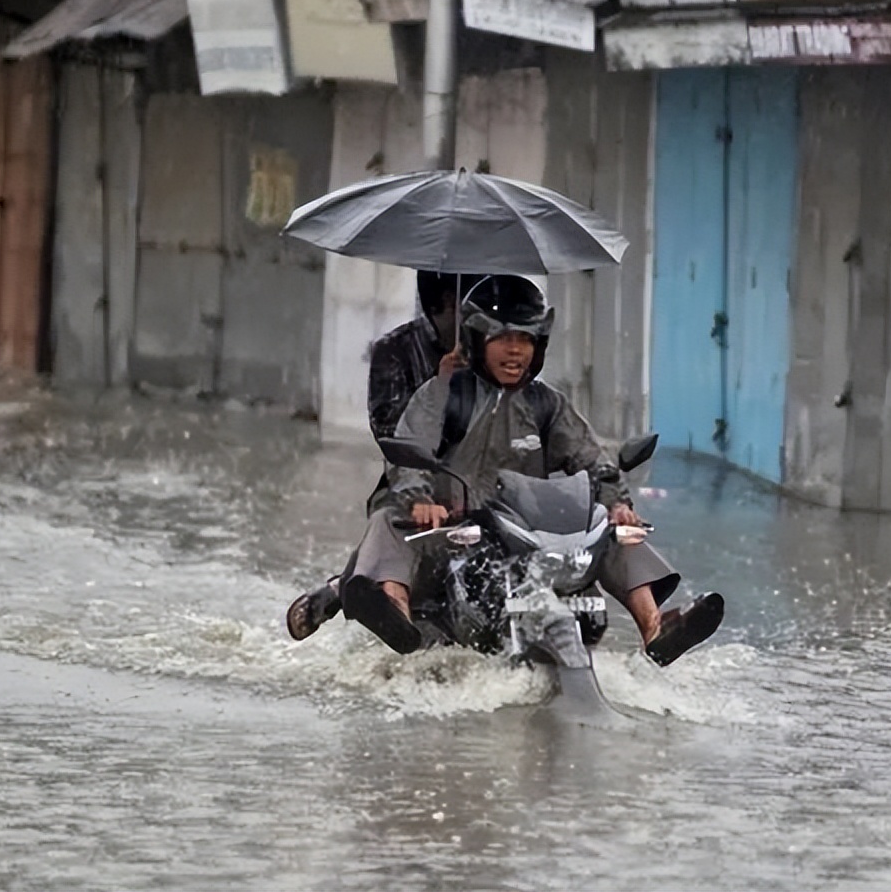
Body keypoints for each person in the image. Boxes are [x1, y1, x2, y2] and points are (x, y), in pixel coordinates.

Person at [340, 275, 725, 666]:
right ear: (476, 339)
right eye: (503, 338)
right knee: (389, 519)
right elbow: (409, 454)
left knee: (614, 529)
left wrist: (616, 502)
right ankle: (395, 608)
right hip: (453, 532)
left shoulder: (547, 404)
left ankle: (654, 625)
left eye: (525, 339)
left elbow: (592, 458)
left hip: (522, 536)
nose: (515, 350)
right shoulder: (442, 393)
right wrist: (420, 499)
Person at [285, 270, 482, 641]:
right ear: (442, 304)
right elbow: (393, 434)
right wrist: (442, 387)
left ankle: (338, 589)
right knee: (390, 521)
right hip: (414, 486)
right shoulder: (395, 351)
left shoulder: (499, 358)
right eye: (463, 307)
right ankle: (379, 602)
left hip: (483, 487)